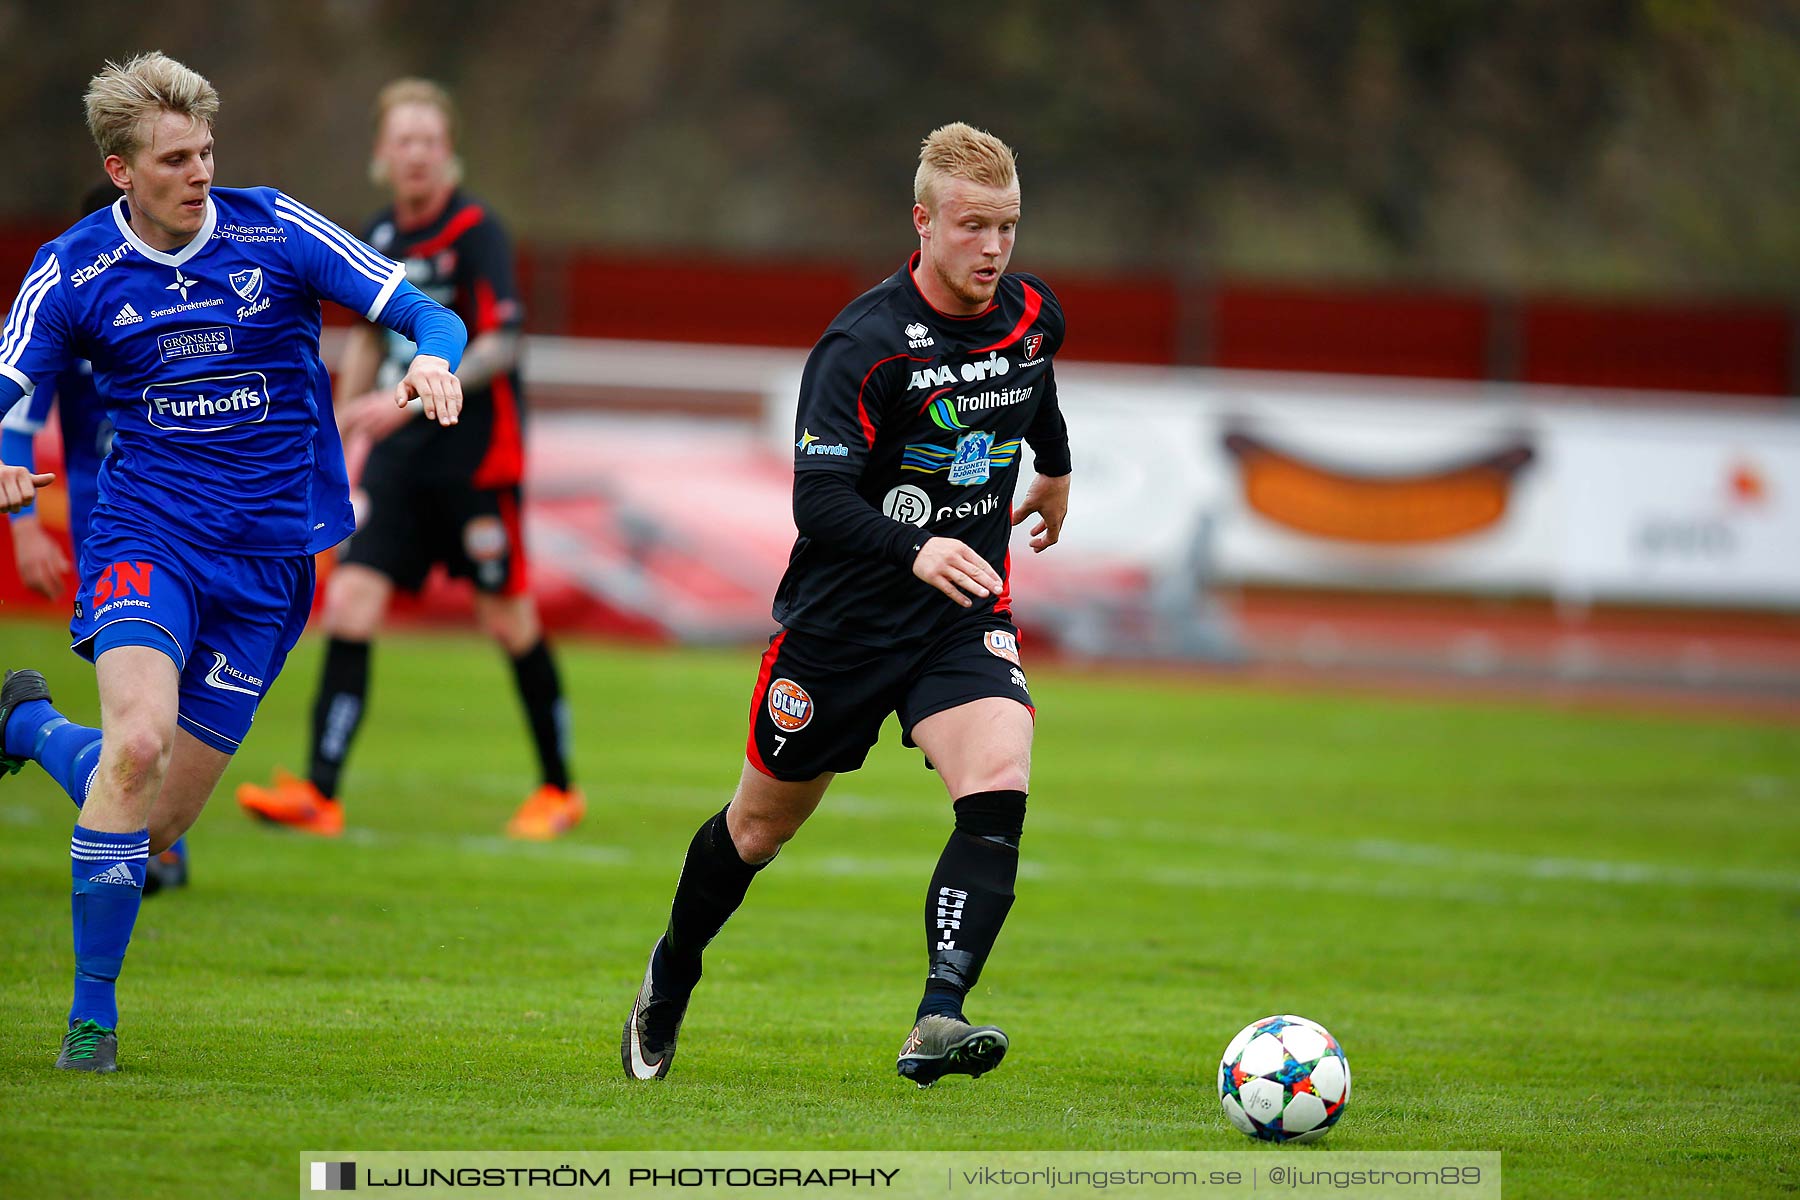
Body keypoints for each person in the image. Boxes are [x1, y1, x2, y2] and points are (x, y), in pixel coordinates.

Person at [0, 52, 466, 1073]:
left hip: (270, 566)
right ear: (124, 172)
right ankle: (91, 1020)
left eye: (207, 150)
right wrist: (7, 462)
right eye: (175, 159)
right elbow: (10, 379)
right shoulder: (75, 268)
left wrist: (432, 356)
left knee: (154, 818)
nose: (200, 171)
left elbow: (428, 309)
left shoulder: (273, 228)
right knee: (135, 745)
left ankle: (27, 724)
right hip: (147, 538)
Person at [620, 122, 1072, 1087]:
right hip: (841, 632)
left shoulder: (1031, 314)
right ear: (924, 222)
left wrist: (1059, 473)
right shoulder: (861, 347)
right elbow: (816, 502)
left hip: (961, 614)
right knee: (756, 832)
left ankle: (939, 1017)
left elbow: (1035, 390)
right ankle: (672, 970)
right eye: (973, 226)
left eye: (1008, 227)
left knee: (1000, 787)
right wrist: (916, 545)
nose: (994, 248)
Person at [235, 78, 580, 841]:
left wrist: (425, 387)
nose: (417, 154)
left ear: (448, 152)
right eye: (405, 141)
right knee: (351, 602)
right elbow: (363, 335)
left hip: (474, 460)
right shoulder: (379, 234)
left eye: (430, 140)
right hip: (396, 460)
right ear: (381, 155)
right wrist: (339, 431)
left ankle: (559, 789)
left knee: (506, 618)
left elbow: (500, 341)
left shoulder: (476, 229)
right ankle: (320, 792)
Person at [3, 182, 190, 894]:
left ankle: (34, 730)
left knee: (183, 699)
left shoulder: (191, 292)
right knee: (143, 705)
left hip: (203, 527)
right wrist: (24, 531)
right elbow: (18, 417)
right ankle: (152, 843)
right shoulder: (74, 297)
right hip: (116, 524)